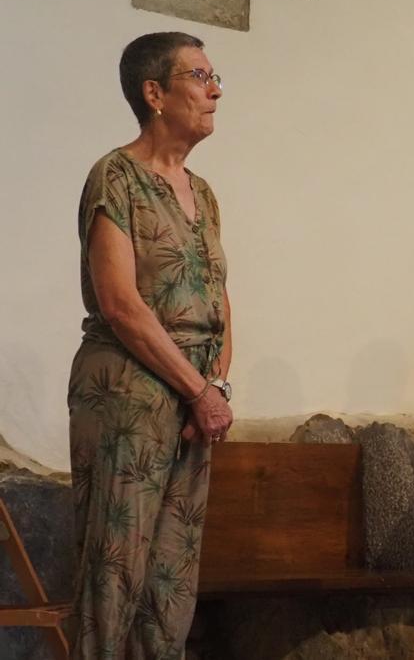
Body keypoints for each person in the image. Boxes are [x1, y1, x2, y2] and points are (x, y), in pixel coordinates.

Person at [67, 32, 233, 658]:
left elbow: (218, 293)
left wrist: (212, 387)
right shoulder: (116, 176)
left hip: (194, 402)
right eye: (200, 76)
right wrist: (199, 390)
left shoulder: (204, 192)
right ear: (154, 93)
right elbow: (120, 304)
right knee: (117, 571)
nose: (215, 89)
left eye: (217, 76)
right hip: (128, 392)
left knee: (171, 577)